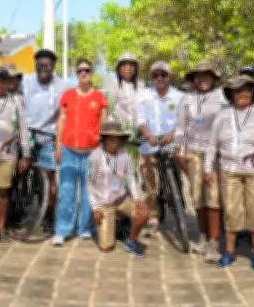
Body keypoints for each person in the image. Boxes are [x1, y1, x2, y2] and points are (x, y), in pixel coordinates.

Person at [205, 75, 254, 271]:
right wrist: (208, 168)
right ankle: (229, 252)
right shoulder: (223, 115)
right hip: (229, 171)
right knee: (231, 211)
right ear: (232, 94)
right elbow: (212, 145)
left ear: (253, 93)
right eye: (238, 91)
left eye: (247, 90)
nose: (242, 94)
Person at [174, 61, 228, 262]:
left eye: (207, 75)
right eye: (199, 75)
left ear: (213, 77)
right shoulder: (187, 98)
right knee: (197, 196)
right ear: (194, 79)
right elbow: (181, 126)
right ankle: (203, 236)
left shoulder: (223, 96)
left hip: (216, 152)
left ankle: (215, 241)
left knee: (213, 196)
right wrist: (178, 148)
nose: (203, 79)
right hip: (193, 151)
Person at [53, 58, 109, 246]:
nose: (83, 73)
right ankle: (63, 230)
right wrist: (58, 145)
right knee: (66, 191)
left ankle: (85, 228)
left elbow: (104, 125)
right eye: (80, 71)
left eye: (86, 70)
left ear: (92, 73)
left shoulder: (100, 97)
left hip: (92, 151)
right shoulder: (68, 95)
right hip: (69, 150)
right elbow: (61, 120)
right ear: (76, 74)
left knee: (88, 192)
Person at [0, 67, 30, 241]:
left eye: (3, 80)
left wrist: (26, 154)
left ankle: (1, 228)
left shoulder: (16, 101)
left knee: (2, 192)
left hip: (9, 152)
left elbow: (23, 128)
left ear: (9, 83)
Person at [88, 122, 148, 257]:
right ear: (104, 139)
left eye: (118, 139)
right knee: (106, 247)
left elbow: (132, 178)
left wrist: (137, 199)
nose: (114, 143)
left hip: (121, 199)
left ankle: (131, 241)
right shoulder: (95, 156)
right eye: (111, 139)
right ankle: (111, 225)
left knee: (143, 214)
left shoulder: (124, 155)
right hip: (104, 204)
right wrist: (96, 208)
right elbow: (89, 185)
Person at [137, 61, 182, 233]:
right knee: (150, 181)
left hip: (172, 141)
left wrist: (173, 134)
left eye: (163, 75)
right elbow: (141, 119)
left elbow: (183, 119)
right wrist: (148, 135)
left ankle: (180, 209)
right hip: (150, 142)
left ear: (169, 77)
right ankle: (153, 215)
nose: (160, 78)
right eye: (156, 75)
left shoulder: (179, 96)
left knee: (177, 177)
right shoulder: (145, 95)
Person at [22, 49, 67, 221]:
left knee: (50, 179)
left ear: (54, 67)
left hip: (49, 136)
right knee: (17, 171)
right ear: (35, 65)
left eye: (48, 65)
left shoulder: (62, 85)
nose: (44, 68)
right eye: (40, 65)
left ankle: (49, 214)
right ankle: (17, 209)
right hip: (26, 134)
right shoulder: (25, 81)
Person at [106, 53, 144, 143]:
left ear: (135, 68)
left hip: (138, 137)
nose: (128, 67)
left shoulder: (142, 85)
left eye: (131, 64)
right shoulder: (113, 86)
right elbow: (109, 113)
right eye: (124, 65)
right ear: (119, 68)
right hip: (119, 136)